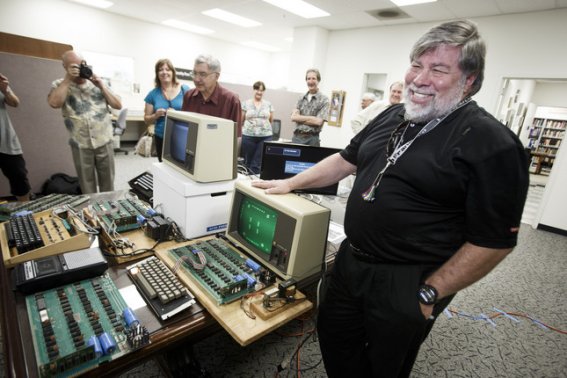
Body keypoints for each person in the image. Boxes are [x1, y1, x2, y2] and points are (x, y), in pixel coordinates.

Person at [253, 20, 529, 377]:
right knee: (334, 335)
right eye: (416, 64)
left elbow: (493, 242)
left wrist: (430, 293)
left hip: (411, 278)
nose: (419, 78)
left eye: (438, 69)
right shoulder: (391, 115)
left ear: (469, 81)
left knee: (384, 364)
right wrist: (291, 183)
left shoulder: (493, 143)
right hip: (352, 261)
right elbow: (345, 160)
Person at [48, 50, 122, 194]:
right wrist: (67, 80)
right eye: (74, 66)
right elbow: (54, 103)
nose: (80, 69)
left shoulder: (98, 83)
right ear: (65, 67)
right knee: (86, 185)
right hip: (80, 143)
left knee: (108, 183)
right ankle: (91, 211)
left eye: (82, 64)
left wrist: (101, 85)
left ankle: (108, 210)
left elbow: (118, 105)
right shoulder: (59, 84)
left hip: (104, 140)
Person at [181, 54, 242, 142]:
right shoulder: (189, 96)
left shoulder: (231, 101)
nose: (197, 79)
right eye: (194, 73)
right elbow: (183, 127)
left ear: (216, 76)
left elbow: (235, 138)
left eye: (202, 74)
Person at [144, 59, 190, 162]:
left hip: (182, 136)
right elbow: (146, 119)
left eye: (168, 69)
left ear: (173, 72)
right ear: (157, 74)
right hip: (161, 137)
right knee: (163, 166)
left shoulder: (185, 90)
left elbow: (194, 113)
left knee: (182, 166)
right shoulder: (152, 94)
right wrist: (155, 115)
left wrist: (176, 114)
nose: (164, 72)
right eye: (161, 70)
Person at [0, 73, 31, 202]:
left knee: (19, 178)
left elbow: (15, 102)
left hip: (6, 141)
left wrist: (5, 90)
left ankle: (28, 213)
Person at [241, 81, 274, 174]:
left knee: (257, 163)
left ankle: (253, 183)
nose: (259, 92)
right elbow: (241, 120)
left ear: (264, 91)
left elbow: (271, 120)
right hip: (248, 136)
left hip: (265, 137)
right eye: (257, 89)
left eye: (261, 90)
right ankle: (245, 184)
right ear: (253, 89)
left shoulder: (268, 104)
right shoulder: (245, 103)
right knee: (247, 162)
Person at [291, 68, 329, 147]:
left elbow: (318, 122)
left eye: (313, 78)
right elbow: (293, 118)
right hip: (297, 138)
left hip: (312, 139)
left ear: (318, 80)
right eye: (308, 79)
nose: (311, 81)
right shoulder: (301, 98)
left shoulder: (324, 100)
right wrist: (312, 119)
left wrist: (300, 118)